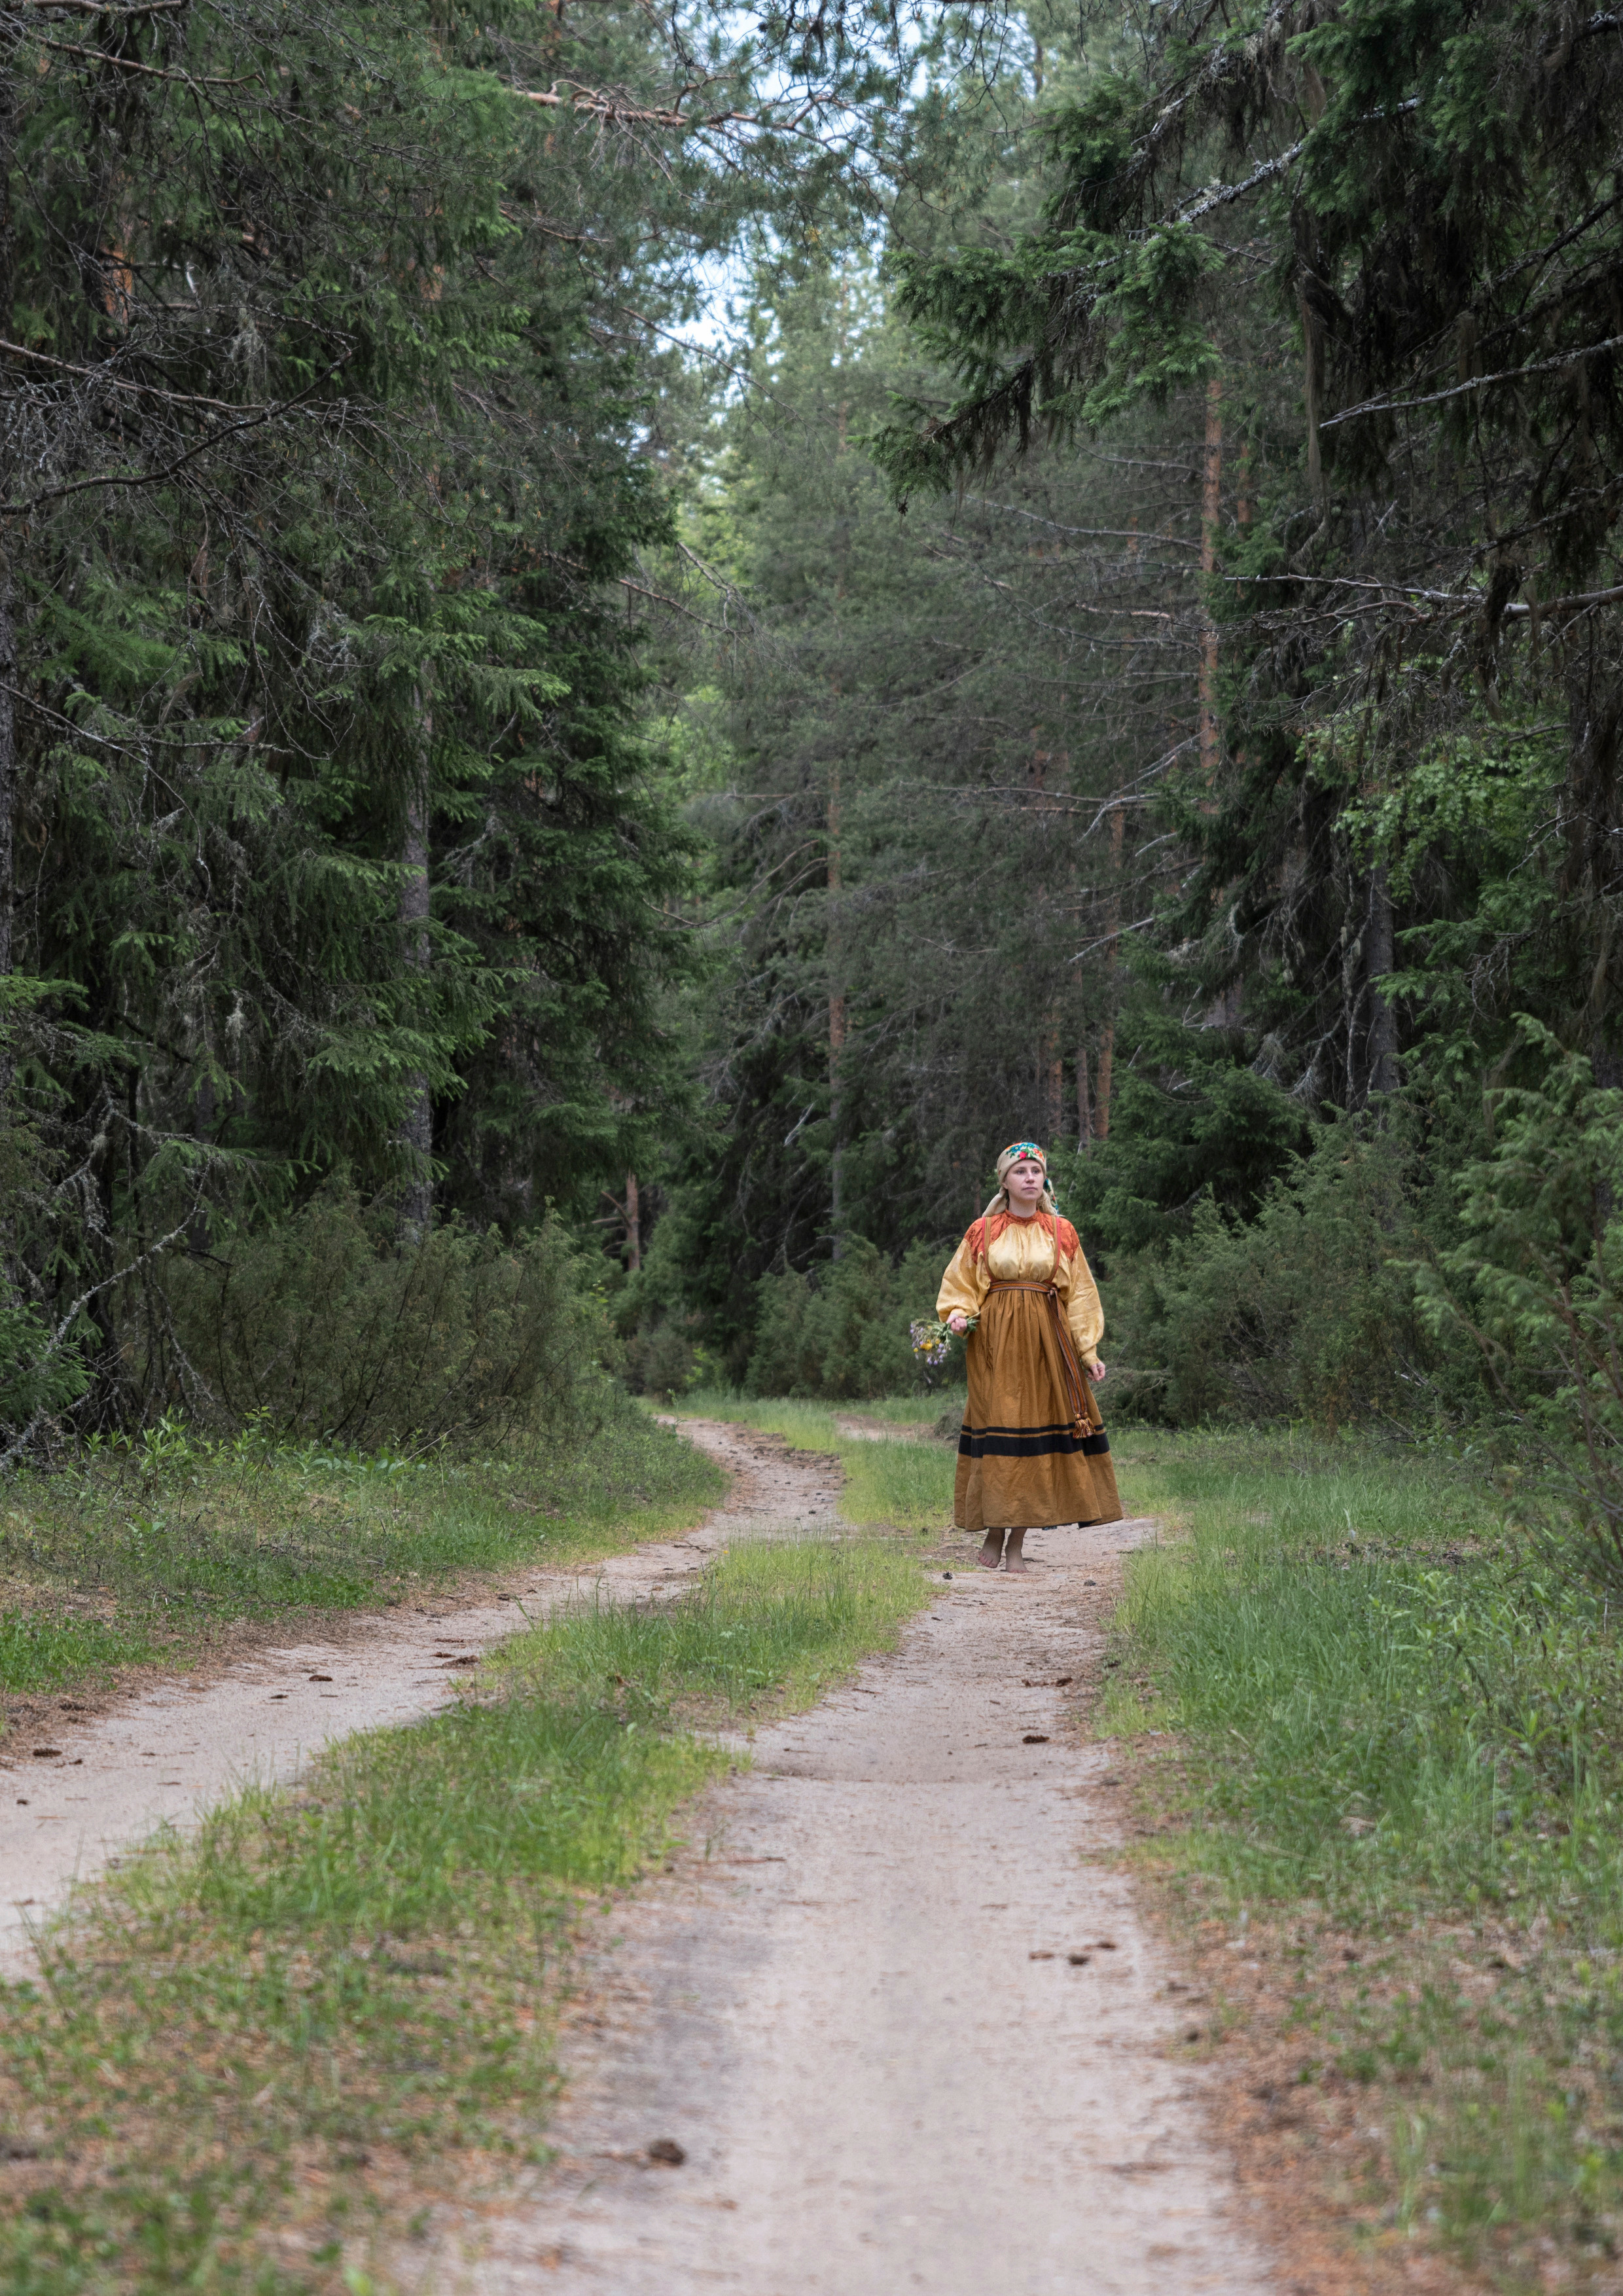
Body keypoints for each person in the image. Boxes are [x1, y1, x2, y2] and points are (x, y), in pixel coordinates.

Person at [936, 1139, 1123, 1573]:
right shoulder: (984, 1231)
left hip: (1047, 1346)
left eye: (1036, 1171)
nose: (1030, 1178)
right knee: (1001, 1433)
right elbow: (961, 1283)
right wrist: (959, 1315)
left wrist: (1088, 1351)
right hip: (995, 1346)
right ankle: (994, 1530)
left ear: (1044, 1179)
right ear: (1004, 1181)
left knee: (1034, 1438)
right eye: (1020, 1171)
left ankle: (1016, 1542)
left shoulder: (1061, 1231)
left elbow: (1081, 1295)